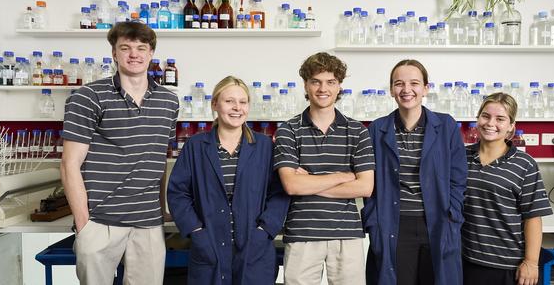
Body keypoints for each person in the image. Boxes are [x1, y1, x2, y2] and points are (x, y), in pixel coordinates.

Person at [60, 22, 179, 285]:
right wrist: (84, 225)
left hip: (148, 222)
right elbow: (70, 163)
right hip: (100, 221)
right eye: (125, 48)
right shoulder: (88, 97)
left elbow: (158, 161)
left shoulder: (169, 102)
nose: (133, 54)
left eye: (141, 48)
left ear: (151, 54)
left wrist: (161, 209)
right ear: (114, 53)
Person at [167, 76, 290, 284]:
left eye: (243, 102)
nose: (237, 108)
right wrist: (196, 232)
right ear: (215, 104)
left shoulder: (264, 146)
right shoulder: (196, 146)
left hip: (254, 249)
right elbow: (178, 193)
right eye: (229, 101)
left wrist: (265, 231)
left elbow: (279, 193)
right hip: (209, 247)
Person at [274, 52, 375, 285]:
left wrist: (310, 182)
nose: (323, 88)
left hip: (347, 234)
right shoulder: (288, 130)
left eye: (330, 82)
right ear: (306, 85)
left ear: (339, 86)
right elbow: (291, 185)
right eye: (316, 81)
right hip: (302, 234)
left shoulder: (358, 131)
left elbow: (365, 187)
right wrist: (342, 176)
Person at [364, 59, 467, 285]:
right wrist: (373, 219)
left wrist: (453, 214)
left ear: (425, 88)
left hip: (438, 222)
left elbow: (458, 178)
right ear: (391, 90)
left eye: (414, 83)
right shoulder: (377, 129)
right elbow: (368, 182)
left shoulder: (446, 125)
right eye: (399, 83)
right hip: (393, 224)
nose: (406, 90)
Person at [462, 92, 553, 285]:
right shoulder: (461, 156)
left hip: (506, 265)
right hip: (465, 261)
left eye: (500, 119)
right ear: (478, 118)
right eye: (485, 116)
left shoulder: (524, 164)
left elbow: (533, 217)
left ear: (511, 126)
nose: (490, 123)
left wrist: (531, 262)